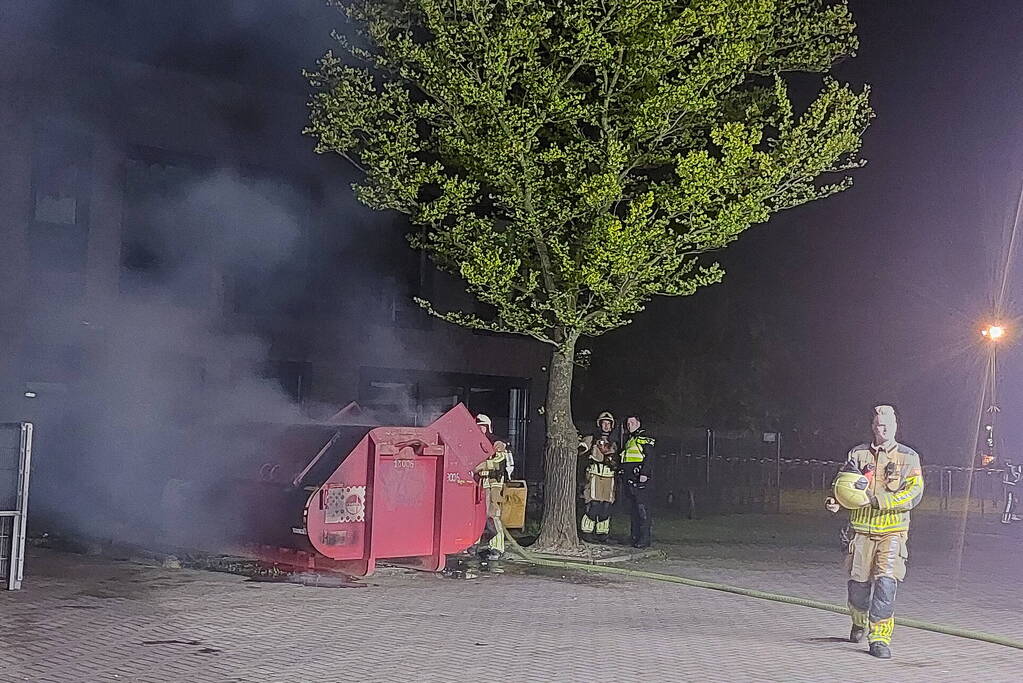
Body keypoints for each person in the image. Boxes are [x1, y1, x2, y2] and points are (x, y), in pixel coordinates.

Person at [825, 404, 924, 659]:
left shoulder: (908, 457)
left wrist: (882, 501)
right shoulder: (857, 454)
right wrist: (836, 501)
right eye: (879, 425)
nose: (883, 430)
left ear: (895, 427)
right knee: (858, 587)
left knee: (886, 583)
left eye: (887, 425)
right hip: (861, 532)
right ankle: (858, 620)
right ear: (872, 427)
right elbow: (843, 484)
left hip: (893, 532)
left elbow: (914, 492)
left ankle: (879, 637)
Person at [578, 411, 619, 543]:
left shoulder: (615, 442)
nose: (606, 426)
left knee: (606, 506)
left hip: (609, 476)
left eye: (609, 424)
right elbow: (582, 448)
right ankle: (586, 532)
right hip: (594, 475)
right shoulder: (592, 438)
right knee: (593, 505)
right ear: (599, 424)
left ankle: (602, 534)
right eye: (604, 423)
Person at [621, 415, 655, 548]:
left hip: (640, 478)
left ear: (639, 423)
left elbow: (650, 457)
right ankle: (635, 537)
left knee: (643, 509)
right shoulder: (629, 439)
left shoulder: (644, 437)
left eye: (632, 422)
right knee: (634, 510)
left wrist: (644, 473)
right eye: (628, 423)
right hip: (629, 479)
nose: (630, 425)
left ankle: (644, 539)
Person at [477, 414, 514, 478]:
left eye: (483, 426)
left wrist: (503, 444)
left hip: (490, 478)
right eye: (478, 426)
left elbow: (507, 444)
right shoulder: (467, 441)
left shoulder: (493, 440)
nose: (480, 429)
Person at [1001, 459, 1022, 524]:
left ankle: (1012, 515)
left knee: (1015, 501)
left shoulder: (1013, 467)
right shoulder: (1011, 468)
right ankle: (1005, 518)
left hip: (1014, 486)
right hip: (1010, 486)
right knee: (1010, 502)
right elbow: (1017, 477)